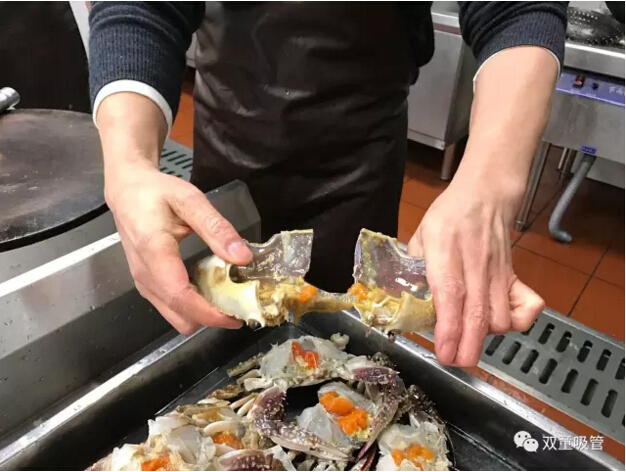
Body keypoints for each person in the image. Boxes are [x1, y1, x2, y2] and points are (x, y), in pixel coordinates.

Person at [88, 2, 566, 367]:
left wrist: (488, 183)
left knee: (344, 355)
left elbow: (517, 8)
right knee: (219, 350)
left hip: (358, 164)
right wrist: (129, 166)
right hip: (231, 148)